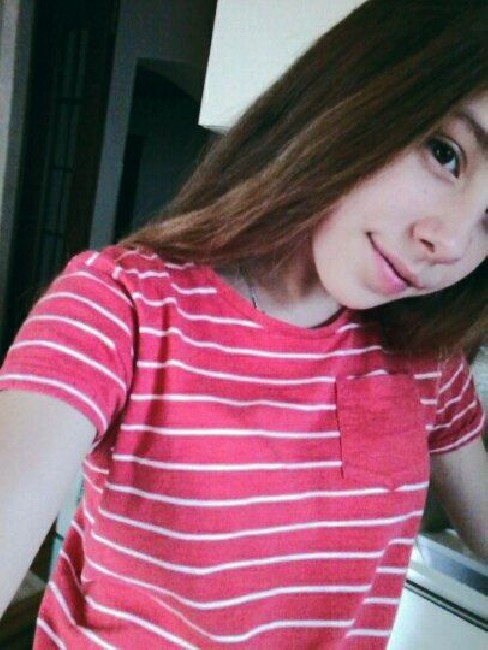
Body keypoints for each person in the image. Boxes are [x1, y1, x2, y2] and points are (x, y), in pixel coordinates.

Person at [0, 0, 487, 647]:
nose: (449, 241)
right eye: (445, 154)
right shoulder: (124, 308)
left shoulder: (427, 360)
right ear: (356, 90)